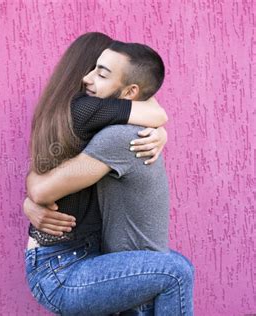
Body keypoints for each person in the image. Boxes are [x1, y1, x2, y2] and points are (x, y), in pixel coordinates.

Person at [23, 33, 195, 315]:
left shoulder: (72, 118)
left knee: (173, 267)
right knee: (176, 272)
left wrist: (159, 132)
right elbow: (155, 111)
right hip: (62, 268)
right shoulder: (87, 111)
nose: (89, 79)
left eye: (102, 74)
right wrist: (159, 128)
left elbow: (44, 174)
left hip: (75, 258)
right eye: (93, 69)